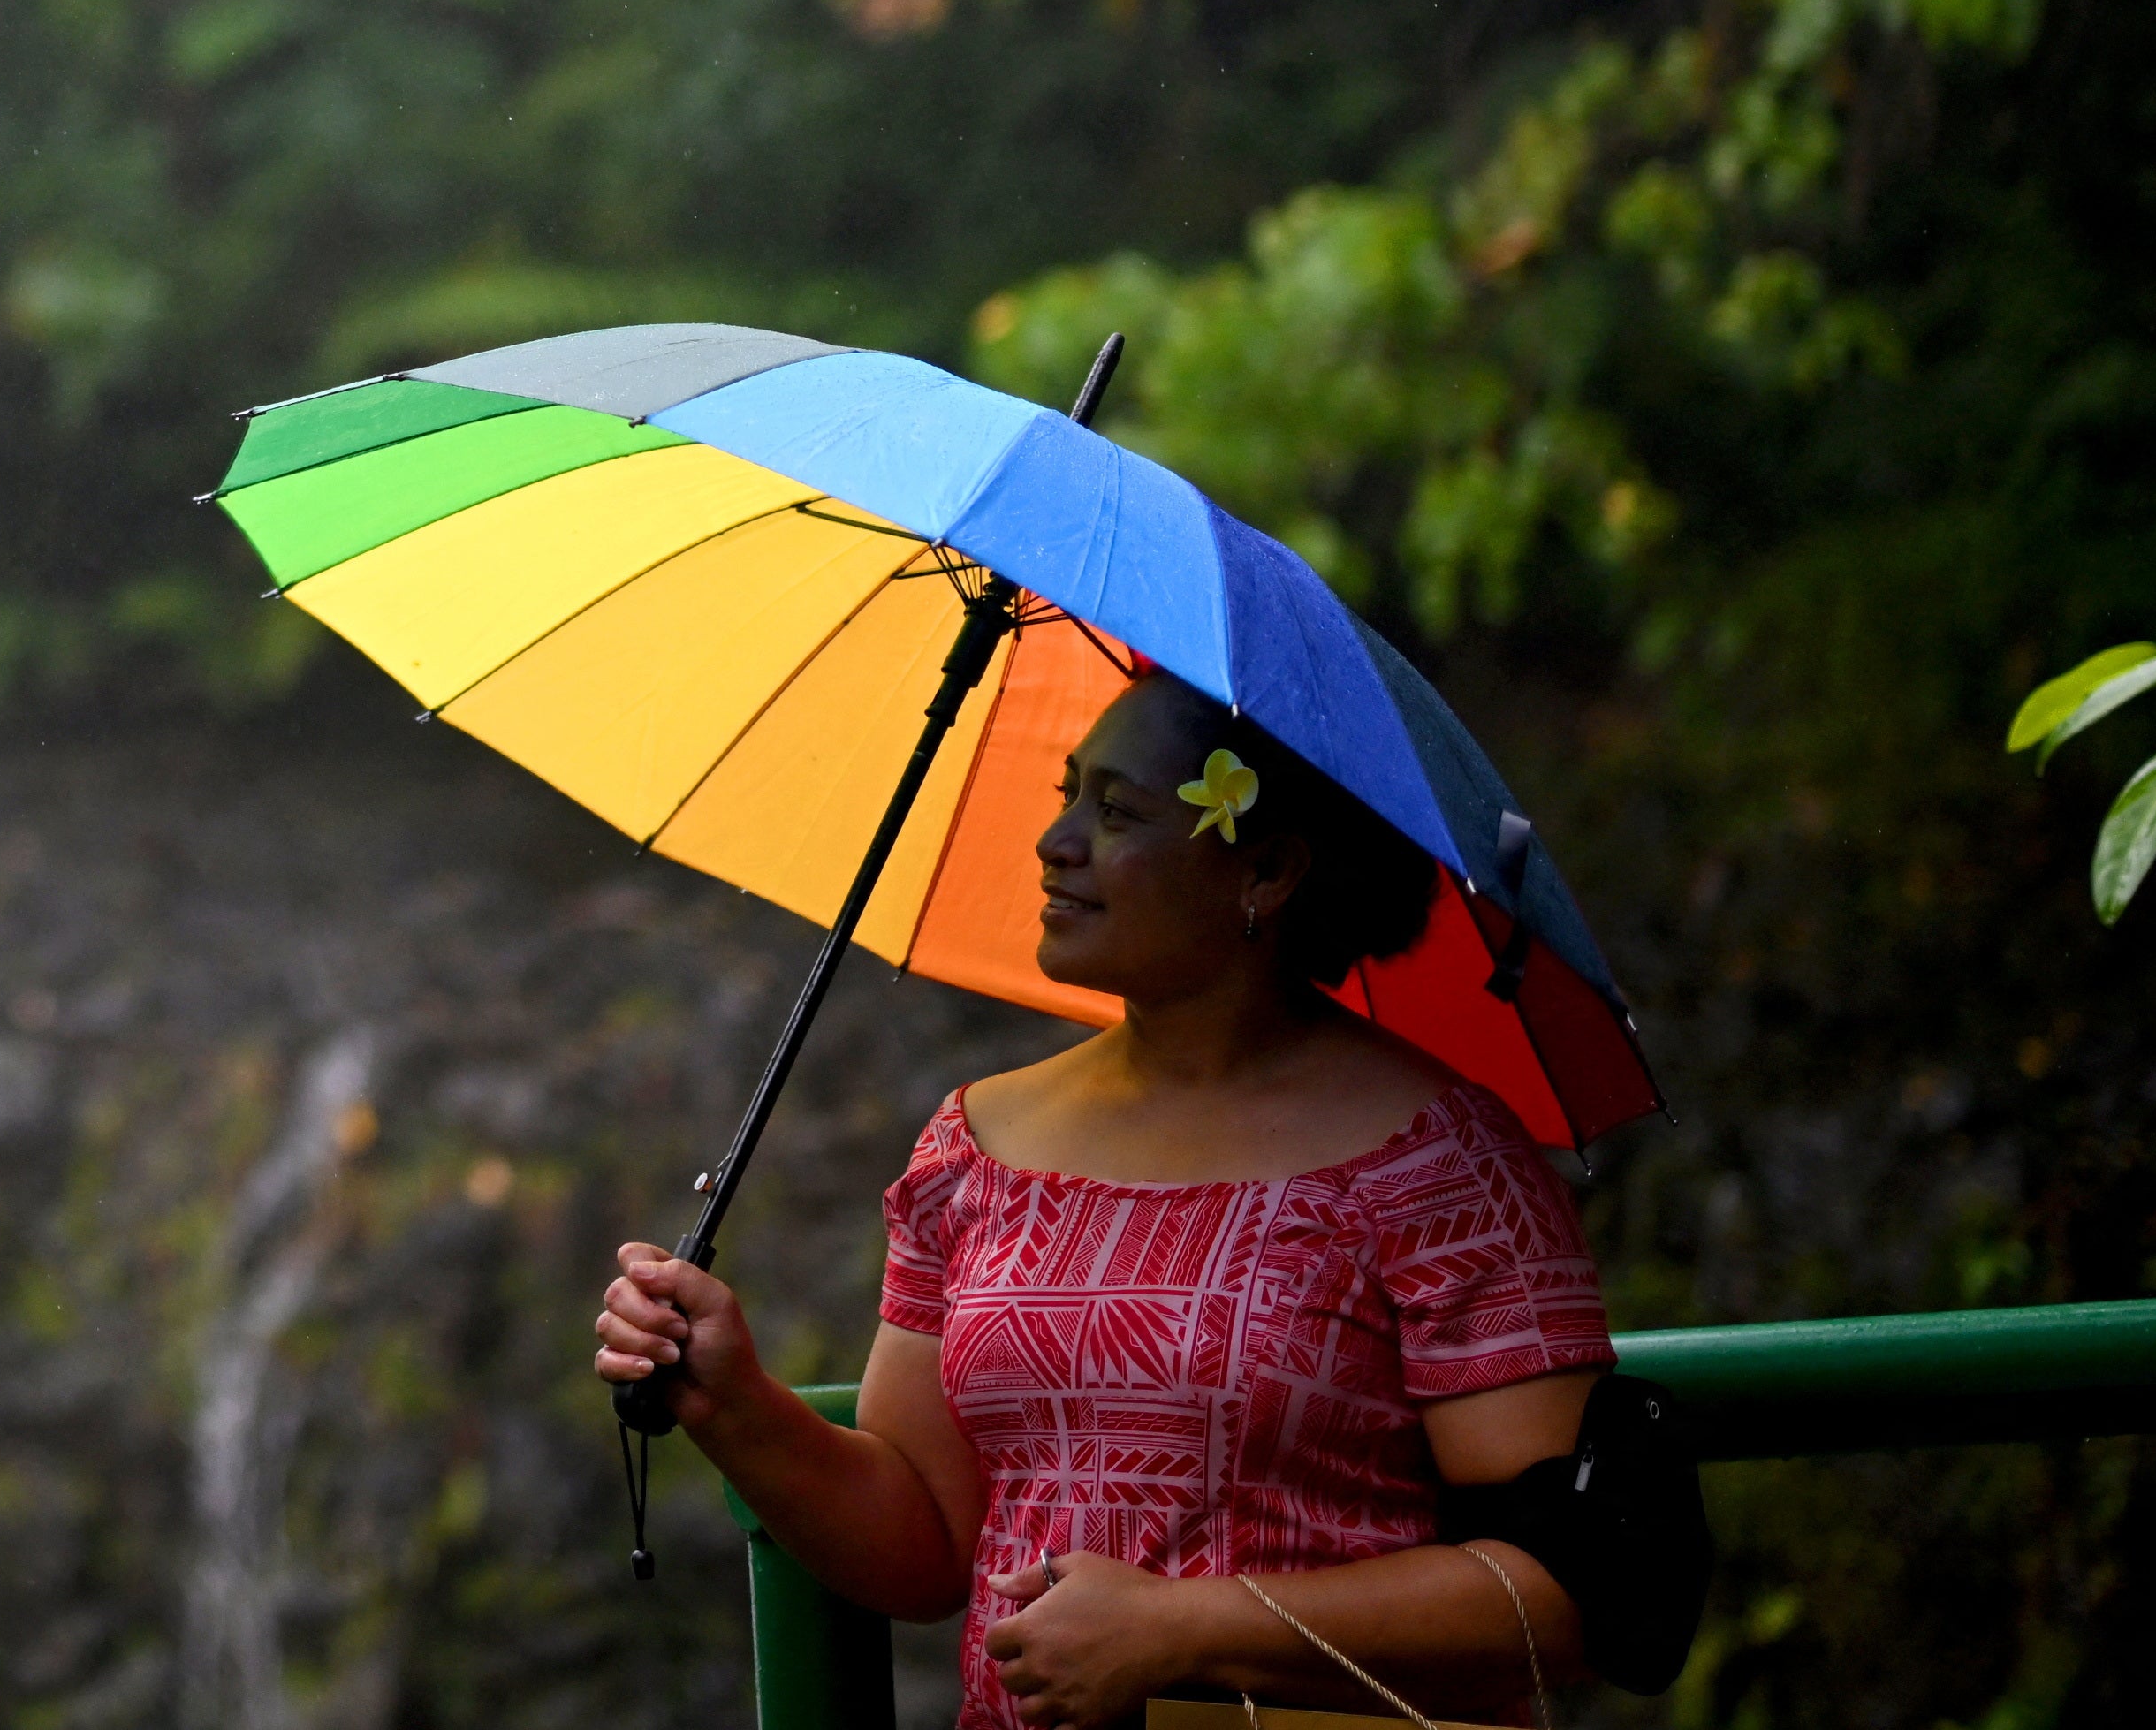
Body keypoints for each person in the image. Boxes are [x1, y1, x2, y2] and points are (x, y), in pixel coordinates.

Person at [593, 670, 1607, 1729]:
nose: (1055, 841)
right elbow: (932, 1545)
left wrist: (1183, 1629)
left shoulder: (1440, 1165)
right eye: (1069, 792)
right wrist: (736, 1404)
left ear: (1266, 869)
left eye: (1117, 811)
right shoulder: (974, 1147)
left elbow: (1564, 1593)